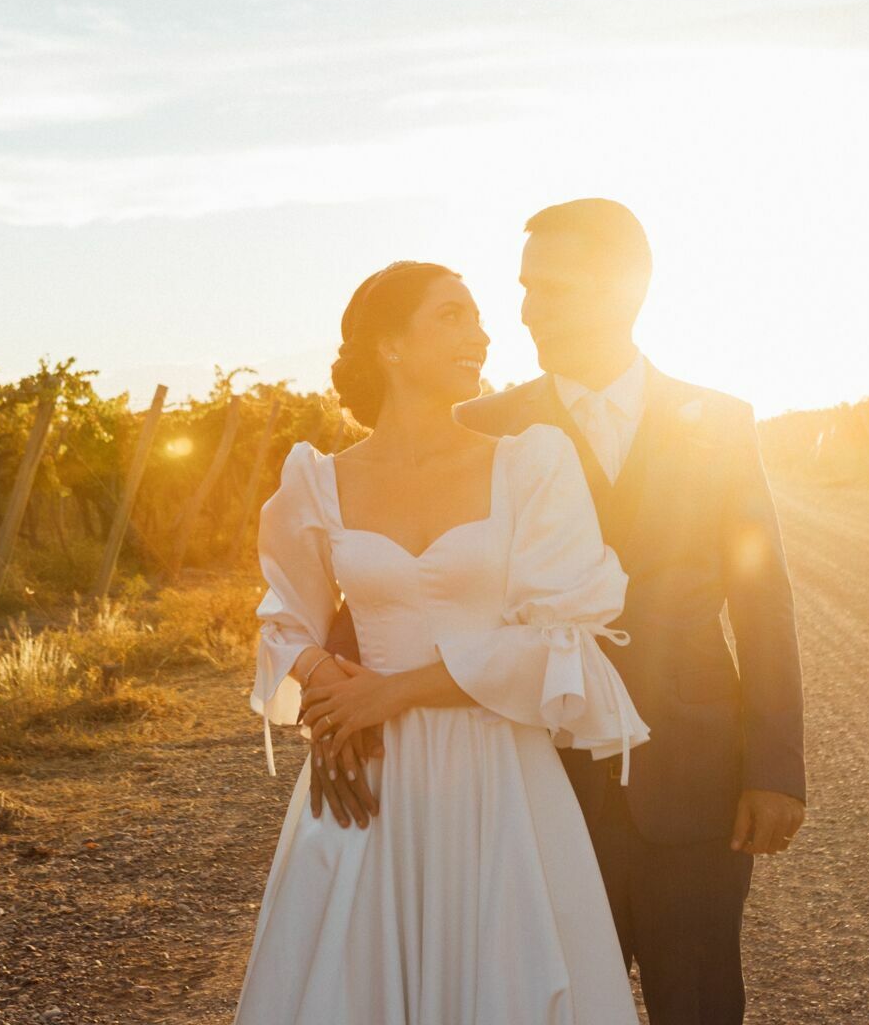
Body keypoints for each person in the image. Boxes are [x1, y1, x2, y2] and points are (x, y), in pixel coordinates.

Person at [311, 199, 808, 1025]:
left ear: (626, 290)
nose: (530, 310)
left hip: (693, 774)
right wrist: (338, 701)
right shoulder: (482, 428)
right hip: (526, 779)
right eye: (526, 288)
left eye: (556, 288)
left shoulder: (719, 422)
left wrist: (774, 768)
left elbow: (762, 598)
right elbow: (396, 573)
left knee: (703, 1001)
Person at [232, 259, 651, 1024]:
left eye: (478, 318)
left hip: (498, 776)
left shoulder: (531, 463)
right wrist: (330, 695)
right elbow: (284, 619)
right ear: (389, 346)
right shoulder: (316, 480)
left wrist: (378, 696)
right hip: (371, 778)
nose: (483, 335)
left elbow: (558, 638)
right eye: (453, 316)